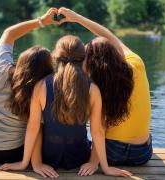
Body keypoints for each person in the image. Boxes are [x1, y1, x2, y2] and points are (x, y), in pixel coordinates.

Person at [0, 34, 132, 178]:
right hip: (79, 158)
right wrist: (101, 166)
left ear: (56, 57)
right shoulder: (93, 89)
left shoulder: (41, 86)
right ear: (83, 57)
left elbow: (33, 127)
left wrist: (27, 163)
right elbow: (98, 131)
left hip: (48, 157)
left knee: (40, 126)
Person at [58, 8, 152, 166]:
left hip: (111, 154)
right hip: (141, 155)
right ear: (114, 53)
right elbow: (109, 35)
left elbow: (99, 129)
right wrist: (77, 18)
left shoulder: (96, 86)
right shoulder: (136, 64)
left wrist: (94, 162)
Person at [0, 8, 59, 163]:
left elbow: (9, 33)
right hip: (12, 154)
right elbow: (37, 129)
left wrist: (41, 20)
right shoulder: (41, 90)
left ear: (21, 61)